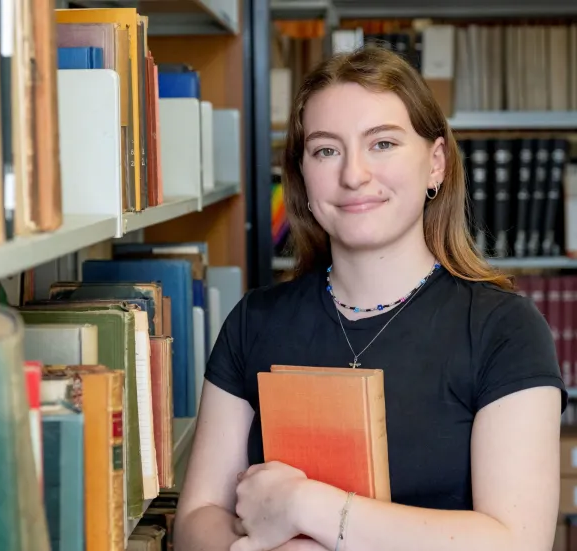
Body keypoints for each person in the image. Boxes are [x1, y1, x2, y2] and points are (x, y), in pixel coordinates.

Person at [173, 45, 567, 551]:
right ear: (302, 176)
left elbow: (517, 541)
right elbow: (194, 522)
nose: (353, 175)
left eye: (382, 144)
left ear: (436, 164)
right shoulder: (255, 321)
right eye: (326, 150)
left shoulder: (504, 328)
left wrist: (308, 508)